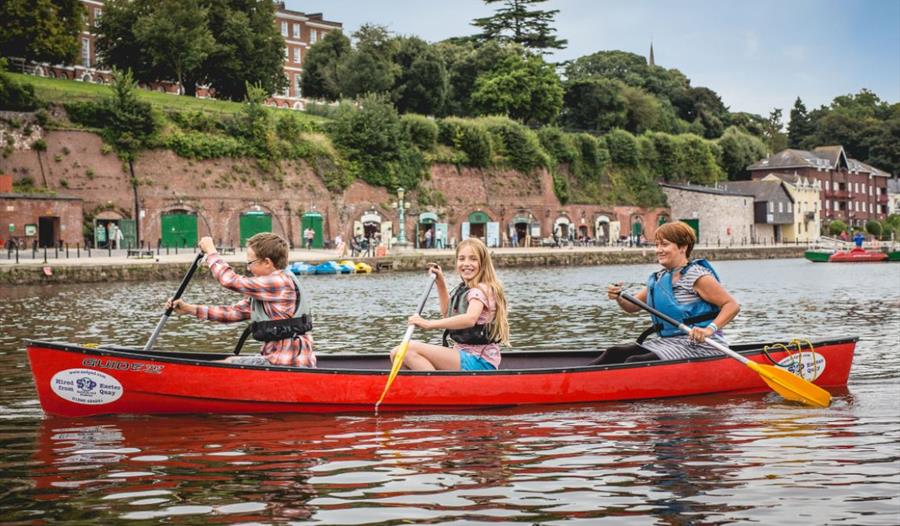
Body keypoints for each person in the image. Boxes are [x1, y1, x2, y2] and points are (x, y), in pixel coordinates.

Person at [592, 221, 740, 365]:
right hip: (669, 342)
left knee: (635, 362)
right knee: (614, 353)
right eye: (656, 245)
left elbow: (732, 305)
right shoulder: (660, 278)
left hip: (703, 346)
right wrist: (618, 297)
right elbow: (632, 307)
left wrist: (708, 330)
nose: (658, 250)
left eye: (664, 244)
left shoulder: (698, 277)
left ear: (683, 247)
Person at [166, 233, 316, 368]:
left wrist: (211, 252)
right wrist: (188, 308)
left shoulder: (279, 282)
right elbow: (233, 313)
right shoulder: (266, 291)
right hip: (274, 359)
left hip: (288, 363)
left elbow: (230, 280)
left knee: (219, 367)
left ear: (267, 263)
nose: (249, 268)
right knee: (227, 363)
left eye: (250, 263)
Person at [390, 238, 510, 371]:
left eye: (473, 259)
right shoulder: (465, 289)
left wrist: (429, 324)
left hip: (480, 361)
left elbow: (470, 319)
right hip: (465, 356)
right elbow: (447, 313)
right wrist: (440, 282)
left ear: (483, 263)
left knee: (406, 348)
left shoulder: (481, 290)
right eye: (461, 259)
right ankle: (437, 388)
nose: (466, 263)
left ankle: (438, 389)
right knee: (398, 353)